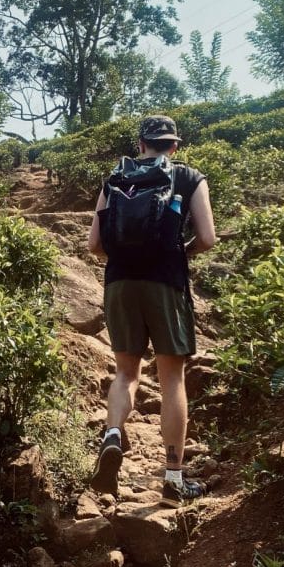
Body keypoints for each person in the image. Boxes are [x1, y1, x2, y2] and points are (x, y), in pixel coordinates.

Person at [86, 115, 216, 507]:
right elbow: (208, 237)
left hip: (120, 283)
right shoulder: (189, 177)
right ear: (173, 146)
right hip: (165, 282)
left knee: (126, 372)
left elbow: (94, 245)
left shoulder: (115, 179)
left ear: (140, 144)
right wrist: (181, 251)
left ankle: (112, 436)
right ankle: (174, 478)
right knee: (171, 377)